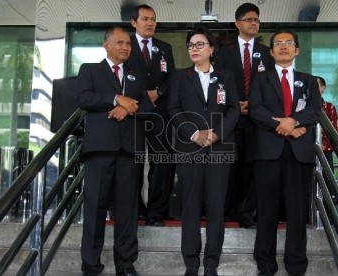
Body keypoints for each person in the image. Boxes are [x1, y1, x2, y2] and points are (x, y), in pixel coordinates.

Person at [75, 26, 153, 276]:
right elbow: (84, 99)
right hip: (100, 150)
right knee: (95, 209)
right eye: (120, 42)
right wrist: (116, 99)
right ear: (106, 44)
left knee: (127, 210)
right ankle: (91, 264)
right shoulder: (90, 70)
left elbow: (148, 107)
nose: (125, 47)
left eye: (128, 44)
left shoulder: (136, 74)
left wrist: (128, 108)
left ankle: (126, 264)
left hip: (129, 151)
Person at [248, 29, 321, 276]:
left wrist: (293, 121)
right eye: (278, 43)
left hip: (299, 155)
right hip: (268, 152)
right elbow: (256, 110)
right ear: (271, 52)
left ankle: (297, 265)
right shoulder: (261, 79)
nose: (283, 46)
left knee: (298, 213)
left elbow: (314, 110)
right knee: (266, 211)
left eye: (288, 43)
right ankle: (265, 265)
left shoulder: (308, 80)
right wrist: (286, 126)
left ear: (296, 50)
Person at [168, 27, 239, 276]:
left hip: (219, 148)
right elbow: (174, 109)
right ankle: (191, 262)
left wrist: (217, 133)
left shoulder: (226, 76)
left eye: (199, 44)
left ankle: (211, 262)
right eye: (190, 45)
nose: (194, 49)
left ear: (211, 48)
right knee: (190, 206)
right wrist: (194, 134)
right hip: (189, 149)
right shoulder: (179, 77)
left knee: (216, 207)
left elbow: (234, 110)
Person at [214, 2, 274, 228]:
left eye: (256, 20)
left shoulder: (267, 54)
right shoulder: (223, 52)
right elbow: (217, 83)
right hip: (230, 118)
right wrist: (234, 104)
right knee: (228, 165)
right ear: (238, 23)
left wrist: (254, 105)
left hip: (256, 120)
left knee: (251, 166)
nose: (253, 23)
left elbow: (271, 85)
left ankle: (245, 213)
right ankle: (225, 211)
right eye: (249, 19)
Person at [126, 4, 176, 227]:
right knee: (132, 164)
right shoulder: (124, 45)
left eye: (153, 19)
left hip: (160, 114)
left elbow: (172, 79)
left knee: (162, 163)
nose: (150, 23)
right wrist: (142, 97)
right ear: (134, 22)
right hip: (134, 112)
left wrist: (158, 93)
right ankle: (134, 209)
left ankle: (156, 213)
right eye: (145, 19)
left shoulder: (164, 48)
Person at [315, 76, 338, 172]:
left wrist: (321, 144)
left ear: (323, 88)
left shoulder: (330, 107)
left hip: (326, 151)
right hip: (306, 151)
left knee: (328, 181)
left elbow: (334, 130)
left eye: (316, 85)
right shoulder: (302, 106)